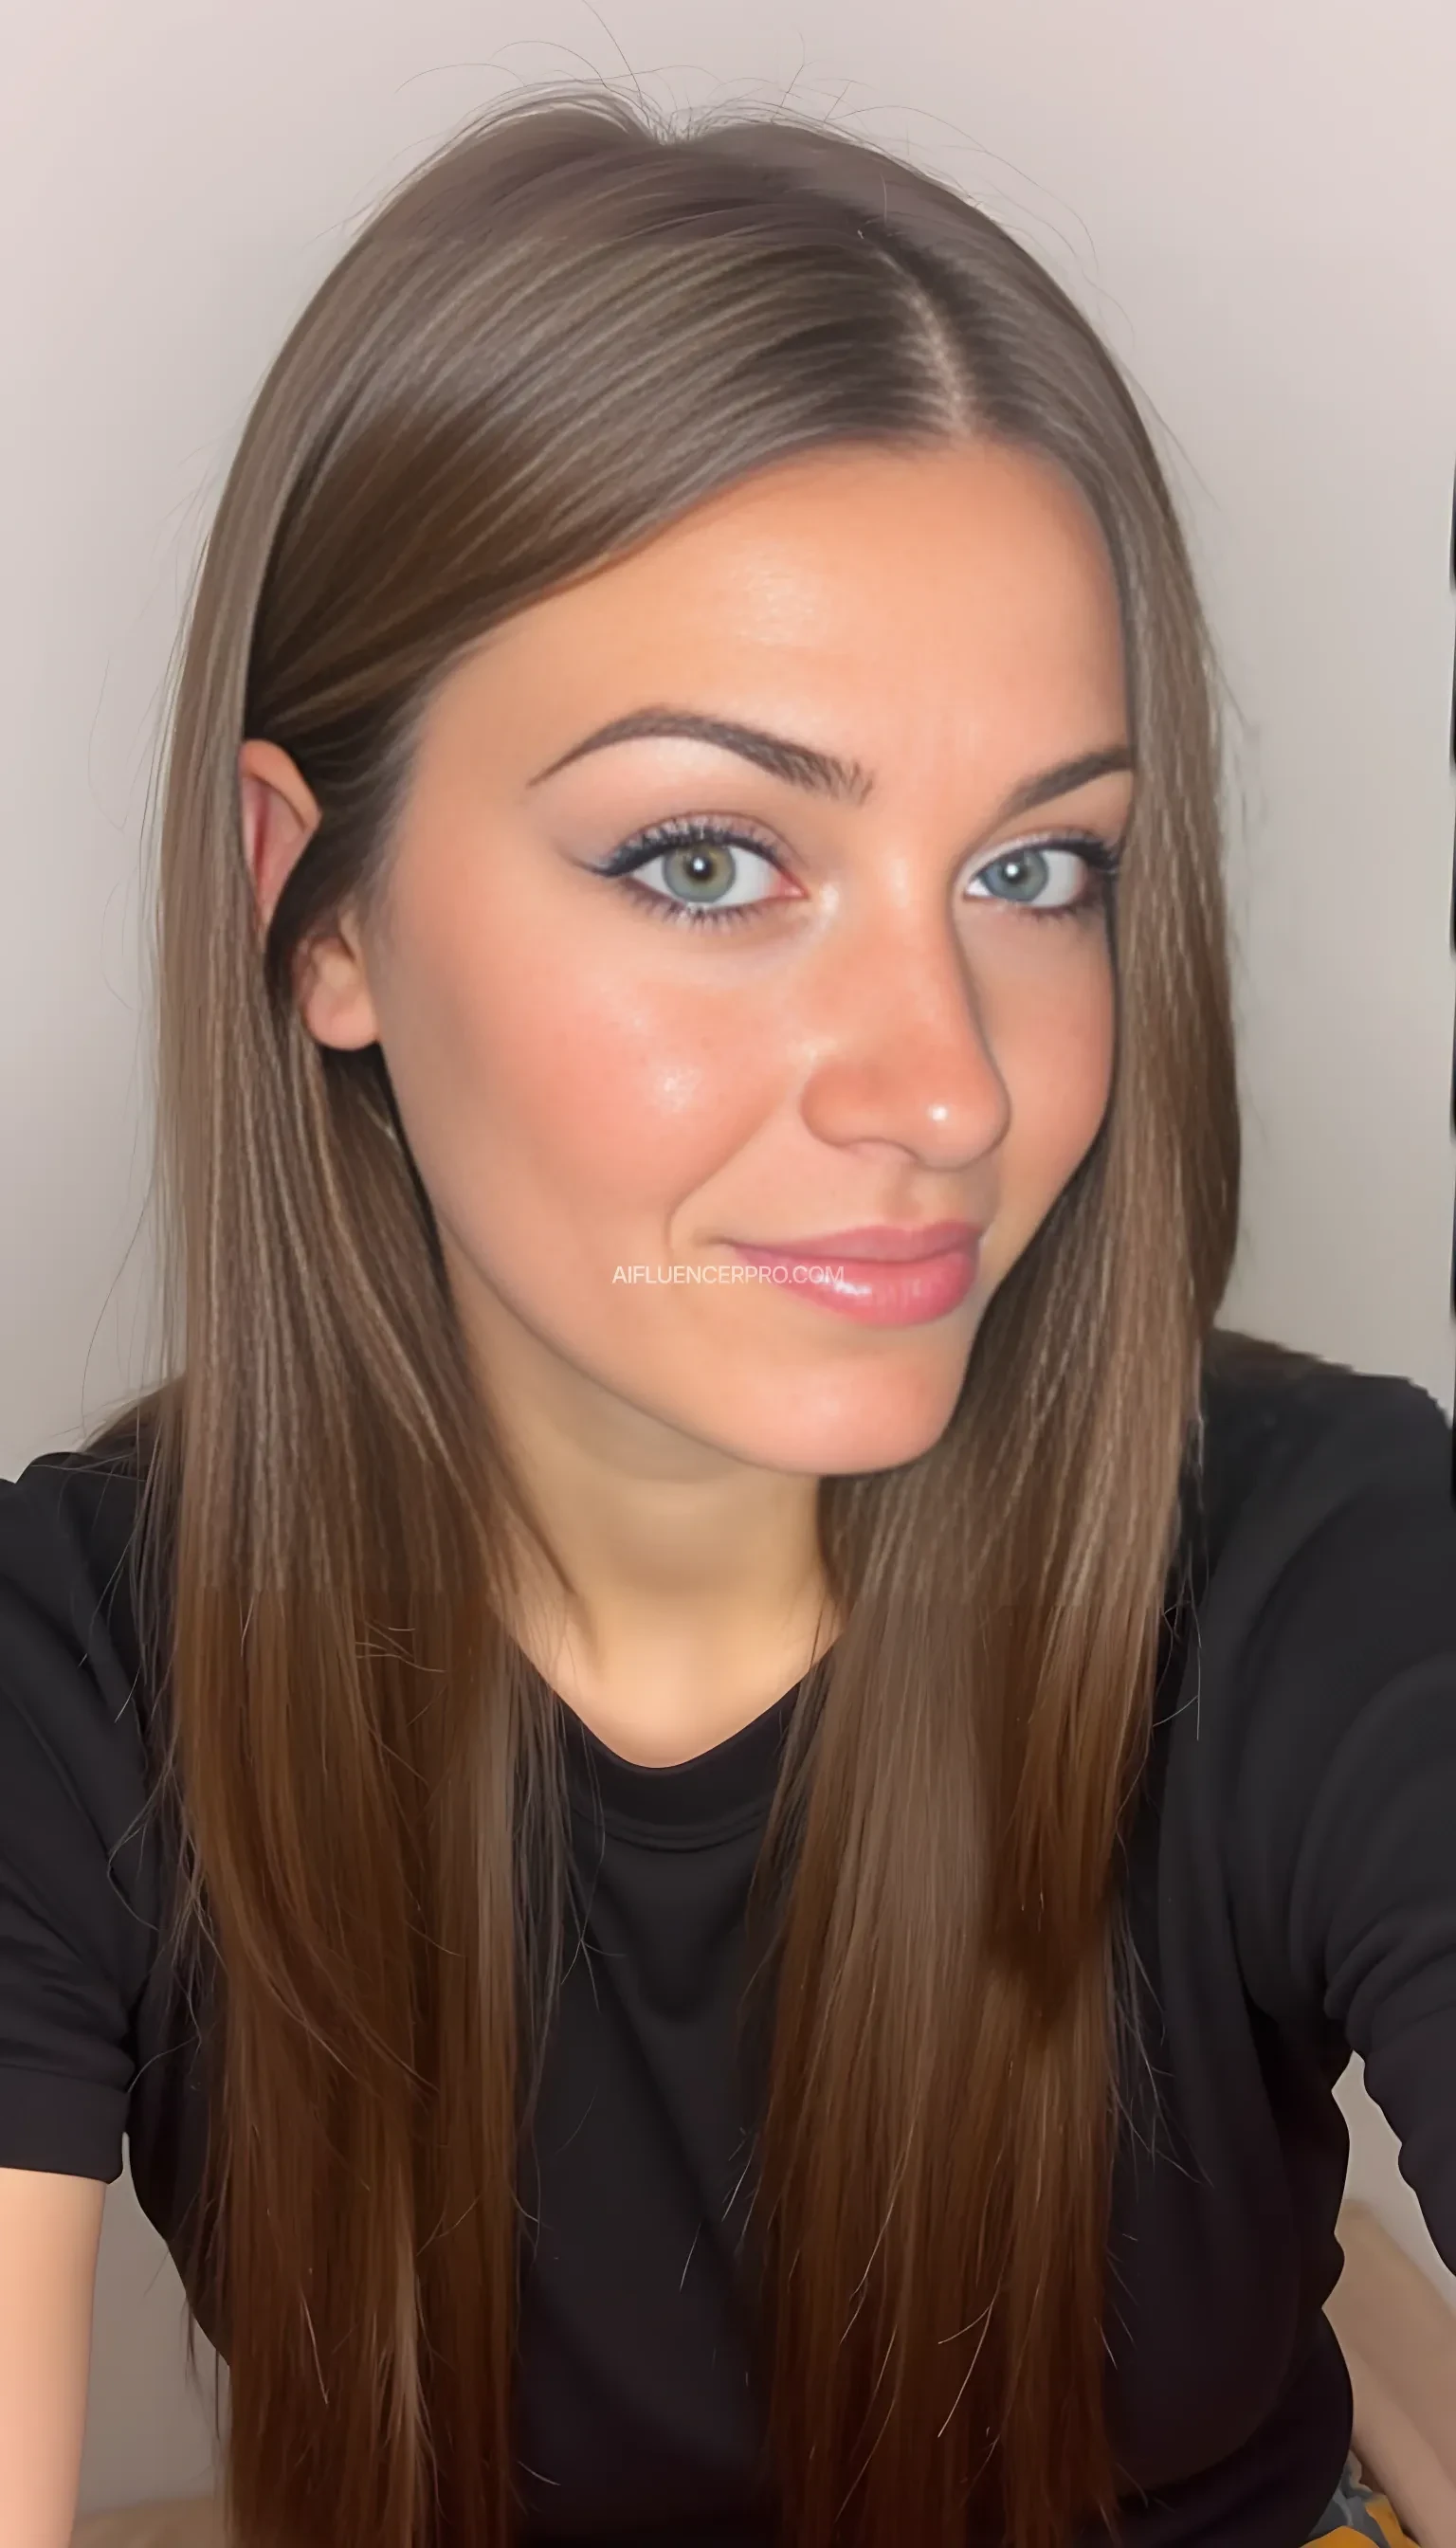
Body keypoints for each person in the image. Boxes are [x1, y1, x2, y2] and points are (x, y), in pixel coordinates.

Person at [0, 81, 1449, 2548]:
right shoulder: (82, 1680)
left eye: (1036, 865)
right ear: (317, 914)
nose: (951, 1089)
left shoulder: (1337, 1580)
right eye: (707, 856)